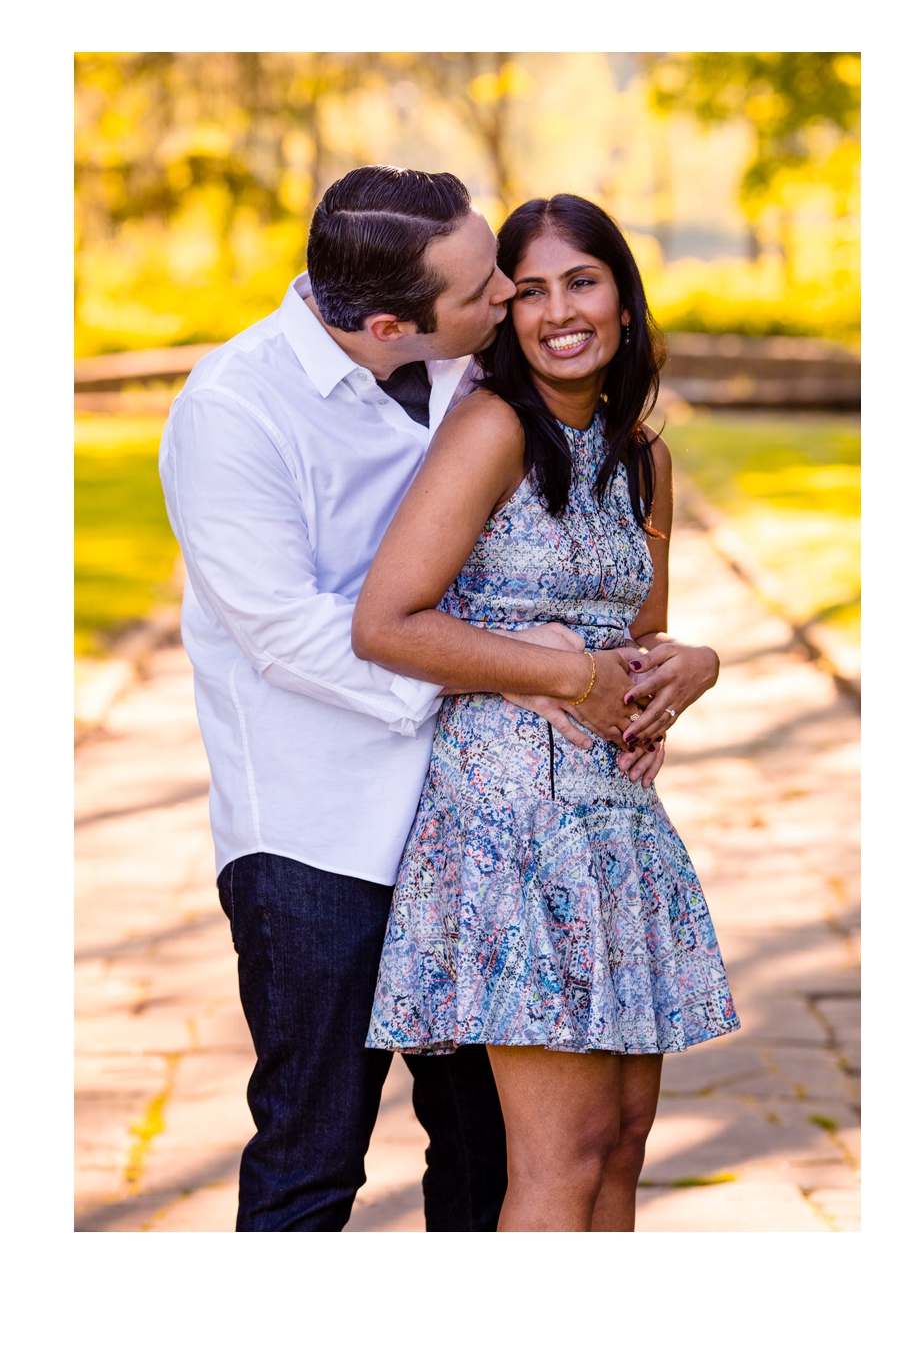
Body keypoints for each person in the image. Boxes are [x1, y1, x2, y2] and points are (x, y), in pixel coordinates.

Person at [159, 165, 714, 1232]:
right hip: (317, 842)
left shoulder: (465, 374)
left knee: (491, 1161)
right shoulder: (236, 412)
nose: (513, 297)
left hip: (479, 833)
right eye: (491, 290)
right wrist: (531, 676)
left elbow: (589, 590)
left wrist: (653, 671)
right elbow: (294, 634)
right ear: (388, 320)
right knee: (316, 1155)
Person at [354, 192, 738, 1231]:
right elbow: (386, 623)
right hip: (510, 825)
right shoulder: (492, 432)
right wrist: (558, 674)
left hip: (614, 827)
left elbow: (636, 644)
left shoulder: (642, 457)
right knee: (561, 1159)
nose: (559, 311)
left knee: (619, 1150)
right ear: (506, 313)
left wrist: (695, 664)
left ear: (623, 298)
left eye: (583, 280)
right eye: (529, 290)